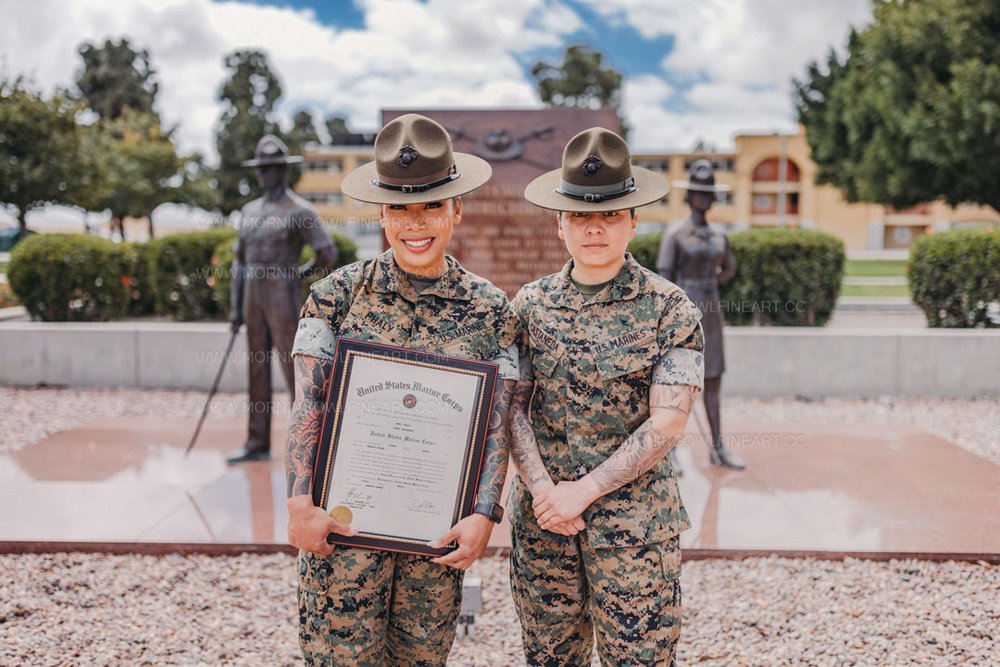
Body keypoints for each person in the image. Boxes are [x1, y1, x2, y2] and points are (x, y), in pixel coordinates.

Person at [284, 114, 518, 665]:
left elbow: (497, 422)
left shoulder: (491, 312)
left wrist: (485, 511)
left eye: (432, 205)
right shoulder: (334, 297)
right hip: (342, 534)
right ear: (381, 213)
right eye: (400, 207)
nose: (417, 223)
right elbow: (309, 401)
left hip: (432, 541)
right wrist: (297, 502)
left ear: (457, 209)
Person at [509, 127, 704, 666]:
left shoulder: (671, 309)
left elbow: (668, 422)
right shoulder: (529, 305)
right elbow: (512, 407)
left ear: (634, 221)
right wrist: (548, 491)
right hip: (546, 527)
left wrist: (583, 491)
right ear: (560, 224)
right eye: (580, 215)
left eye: (611, 214)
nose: (595, 227)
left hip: (634, 535)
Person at [227, 135, 339, 465]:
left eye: (271, 169)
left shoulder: (300, 211)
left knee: (296, 370)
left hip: (282, 293)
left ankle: (307, 444)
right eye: (261, 169)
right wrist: (235, 307)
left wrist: (299, 275)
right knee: (256, 368)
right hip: (253, 295)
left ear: (282, 172)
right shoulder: (249, 211)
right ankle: (256, 440)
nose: (265, 175)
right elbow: (239, 261)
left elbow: (326, 252)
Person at [657, 158, 744, 470]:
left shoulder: (720, 235)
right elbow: (664, 276)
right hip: (684, 313)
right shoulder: (676, 234)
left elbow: (729, 268)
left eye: (708, 193)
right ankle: (671, 450)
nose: (703, 199)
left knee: (714, 380)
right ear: (689, 196)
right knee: (678, 384)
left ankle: (718, 447)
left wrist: (708, 285)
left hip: (712, 309)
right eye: (698, 193)